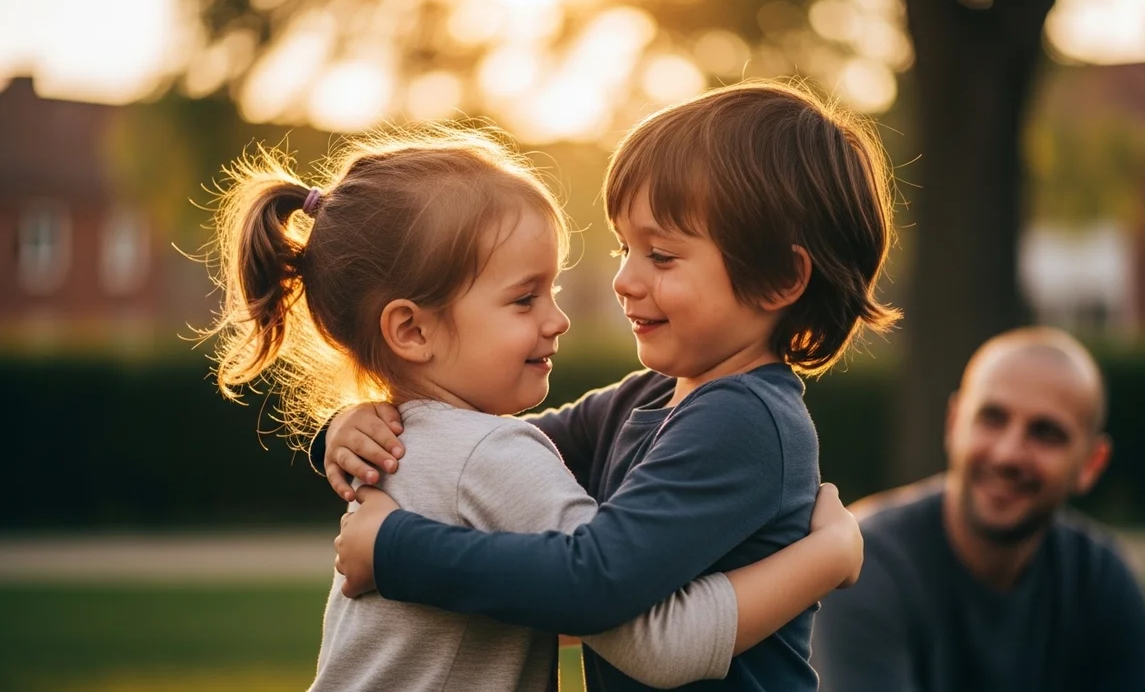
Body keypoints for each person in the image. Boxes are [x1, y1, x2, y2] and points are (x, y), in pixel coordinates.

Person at [204, 126, 864, 691]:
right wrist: (343, 428)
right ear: (410, 331)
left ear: (781, 278)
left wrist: (396, 547)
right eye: (624, 248)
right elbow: (524, 505)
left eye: (660, 254)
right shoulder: (638, 402)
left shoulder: (744, 420)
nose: (622, 280)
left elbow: (587, 583)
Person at [812, 326, 1145, 692]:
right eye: (992, 418)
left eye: (1046, 433)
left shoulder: (1104, 581)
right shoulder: (863, 565)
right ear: (954, 424)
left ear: (1091, 464)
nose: (1008, 453)